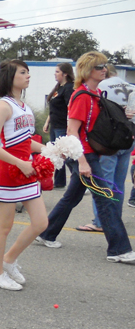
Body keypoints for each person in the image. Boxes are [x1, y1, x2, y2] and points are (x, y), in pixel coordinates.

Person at [36, 52, 135, 264]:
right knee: (105, 198)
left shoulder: (95, 93)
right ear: (88, 70)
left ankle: (46, 232)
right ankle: (119, 249)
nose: (104, 69)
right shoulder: (81, 96)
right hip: (84, 154)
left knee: (72, 196)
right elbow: (72, 131)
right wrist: (82, 162)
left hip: (89, 154)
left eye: (105, 66)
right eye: (100, 66)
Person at [0, 60, 49, 290]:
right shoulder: (4, 105)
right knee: (4, 227)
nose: (28, 76)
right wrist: (19, 162)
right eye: (23, 72)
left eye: (28, 72)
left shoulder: (25, 106)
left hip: (26, 172)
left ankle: (9, 260)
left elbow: (26, 143)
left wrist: (53, 149)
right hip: (7, 173)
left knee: (40, 223)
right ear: (10, 77)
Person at [79, 65, 134, 232]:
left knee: (105, 181)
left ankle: (101, 221)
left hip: (110, 139)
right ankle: (115, 219)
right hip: (129, 136)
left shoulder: (101, 87)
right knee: (119, 182)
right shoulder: (130, 86)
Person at [42, 63, 74, 189]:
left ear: (65, 73)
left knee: (66, 154)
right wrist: (47, 121)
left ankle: (81, 178)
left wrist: (70, 127)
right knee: (56, 154)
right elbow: (53, 107)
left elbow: (70, 108)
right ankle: (59, 181)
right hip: (55, 125)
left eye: (57, 72)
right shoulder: (58, 88)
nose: (55, 74)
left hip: (63, 125)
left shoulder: (69, 88)